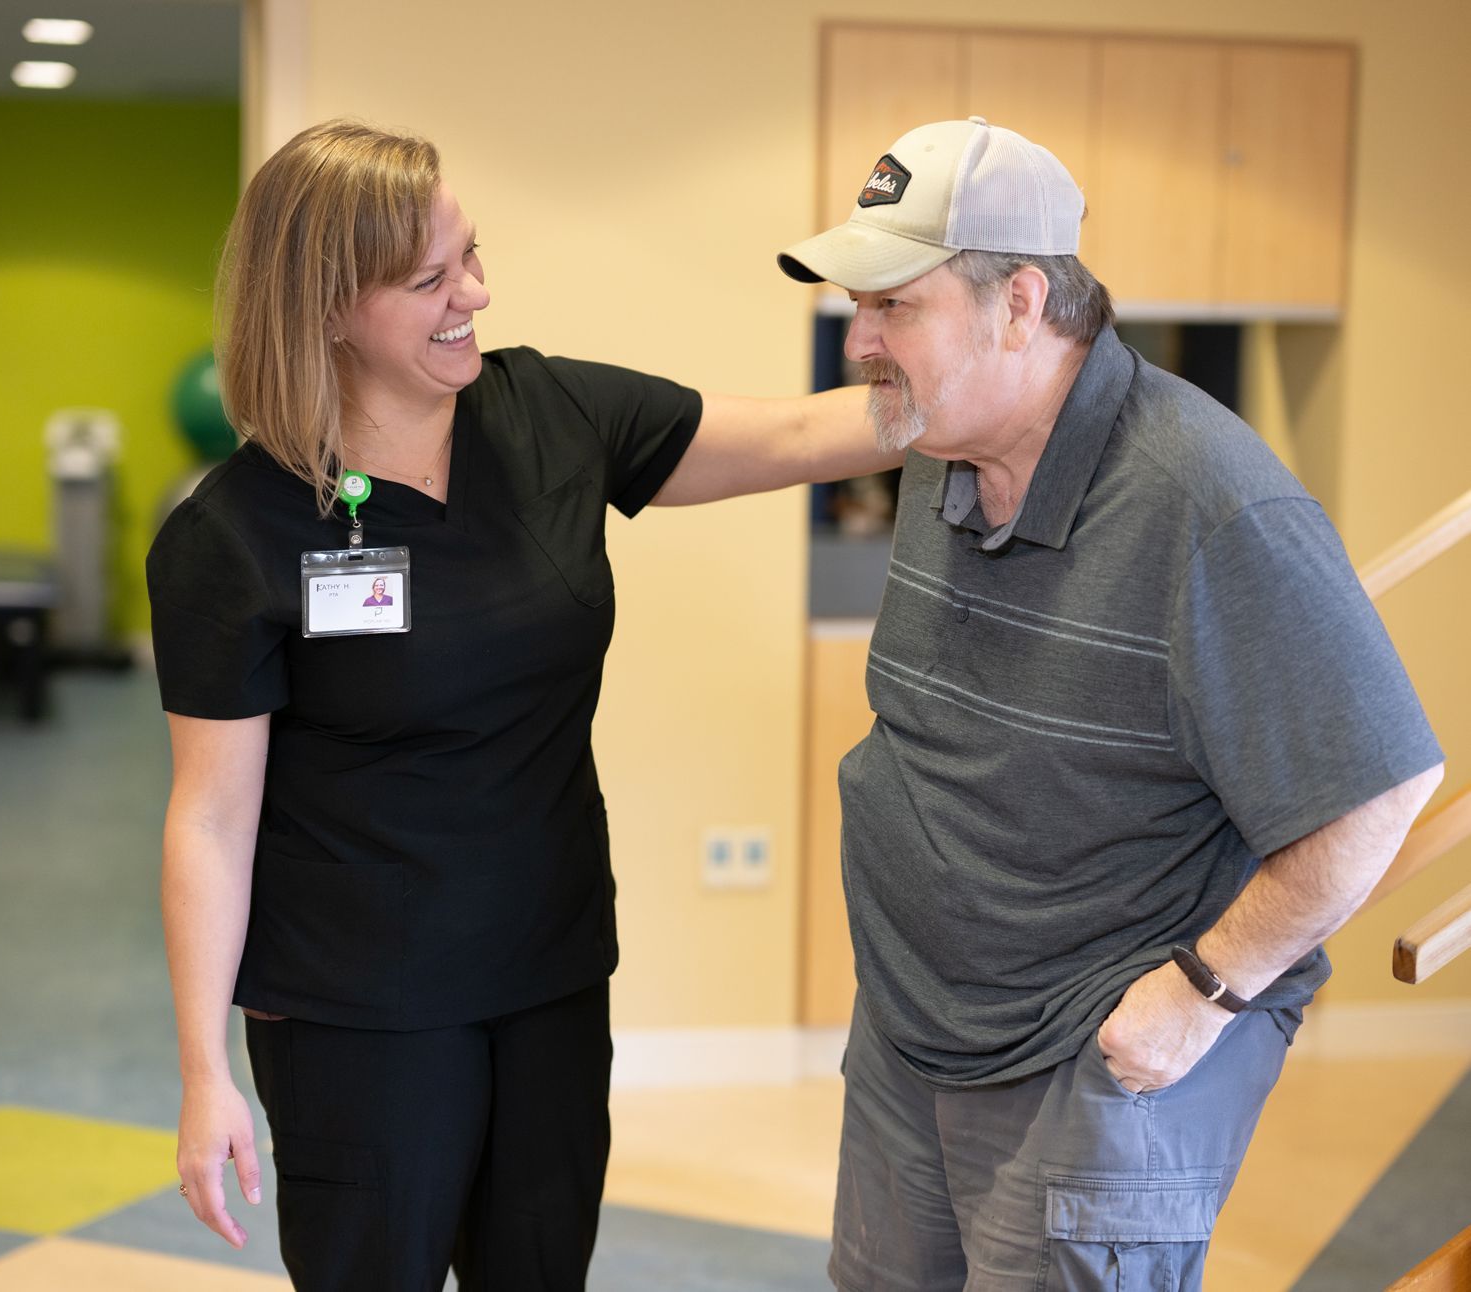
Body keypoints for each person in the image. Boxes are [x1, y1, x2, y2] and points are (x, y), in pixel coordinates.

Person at [147, 118, 897, 1291]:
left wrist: (991, 386)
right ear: (326, 306)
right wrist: (204, 1071)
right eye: (431, 279)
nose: (475, 296)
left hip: (547, 973)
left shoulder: (549, 417)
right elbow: (208, 818)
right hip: (359, 1012)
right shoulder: (234, 537)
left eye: (473, 257)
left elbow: (803, 430)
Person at [776, 117, 1445, 1292]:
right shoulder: (941, 437)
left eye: (893, 305)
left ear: (1019, 301)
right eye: (854, 303)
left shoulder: (1210, 507)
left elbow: (1384, 784)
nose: (859, 338)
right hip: (914, 1025)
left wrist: (1200, 992)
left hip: (1093, 1047)